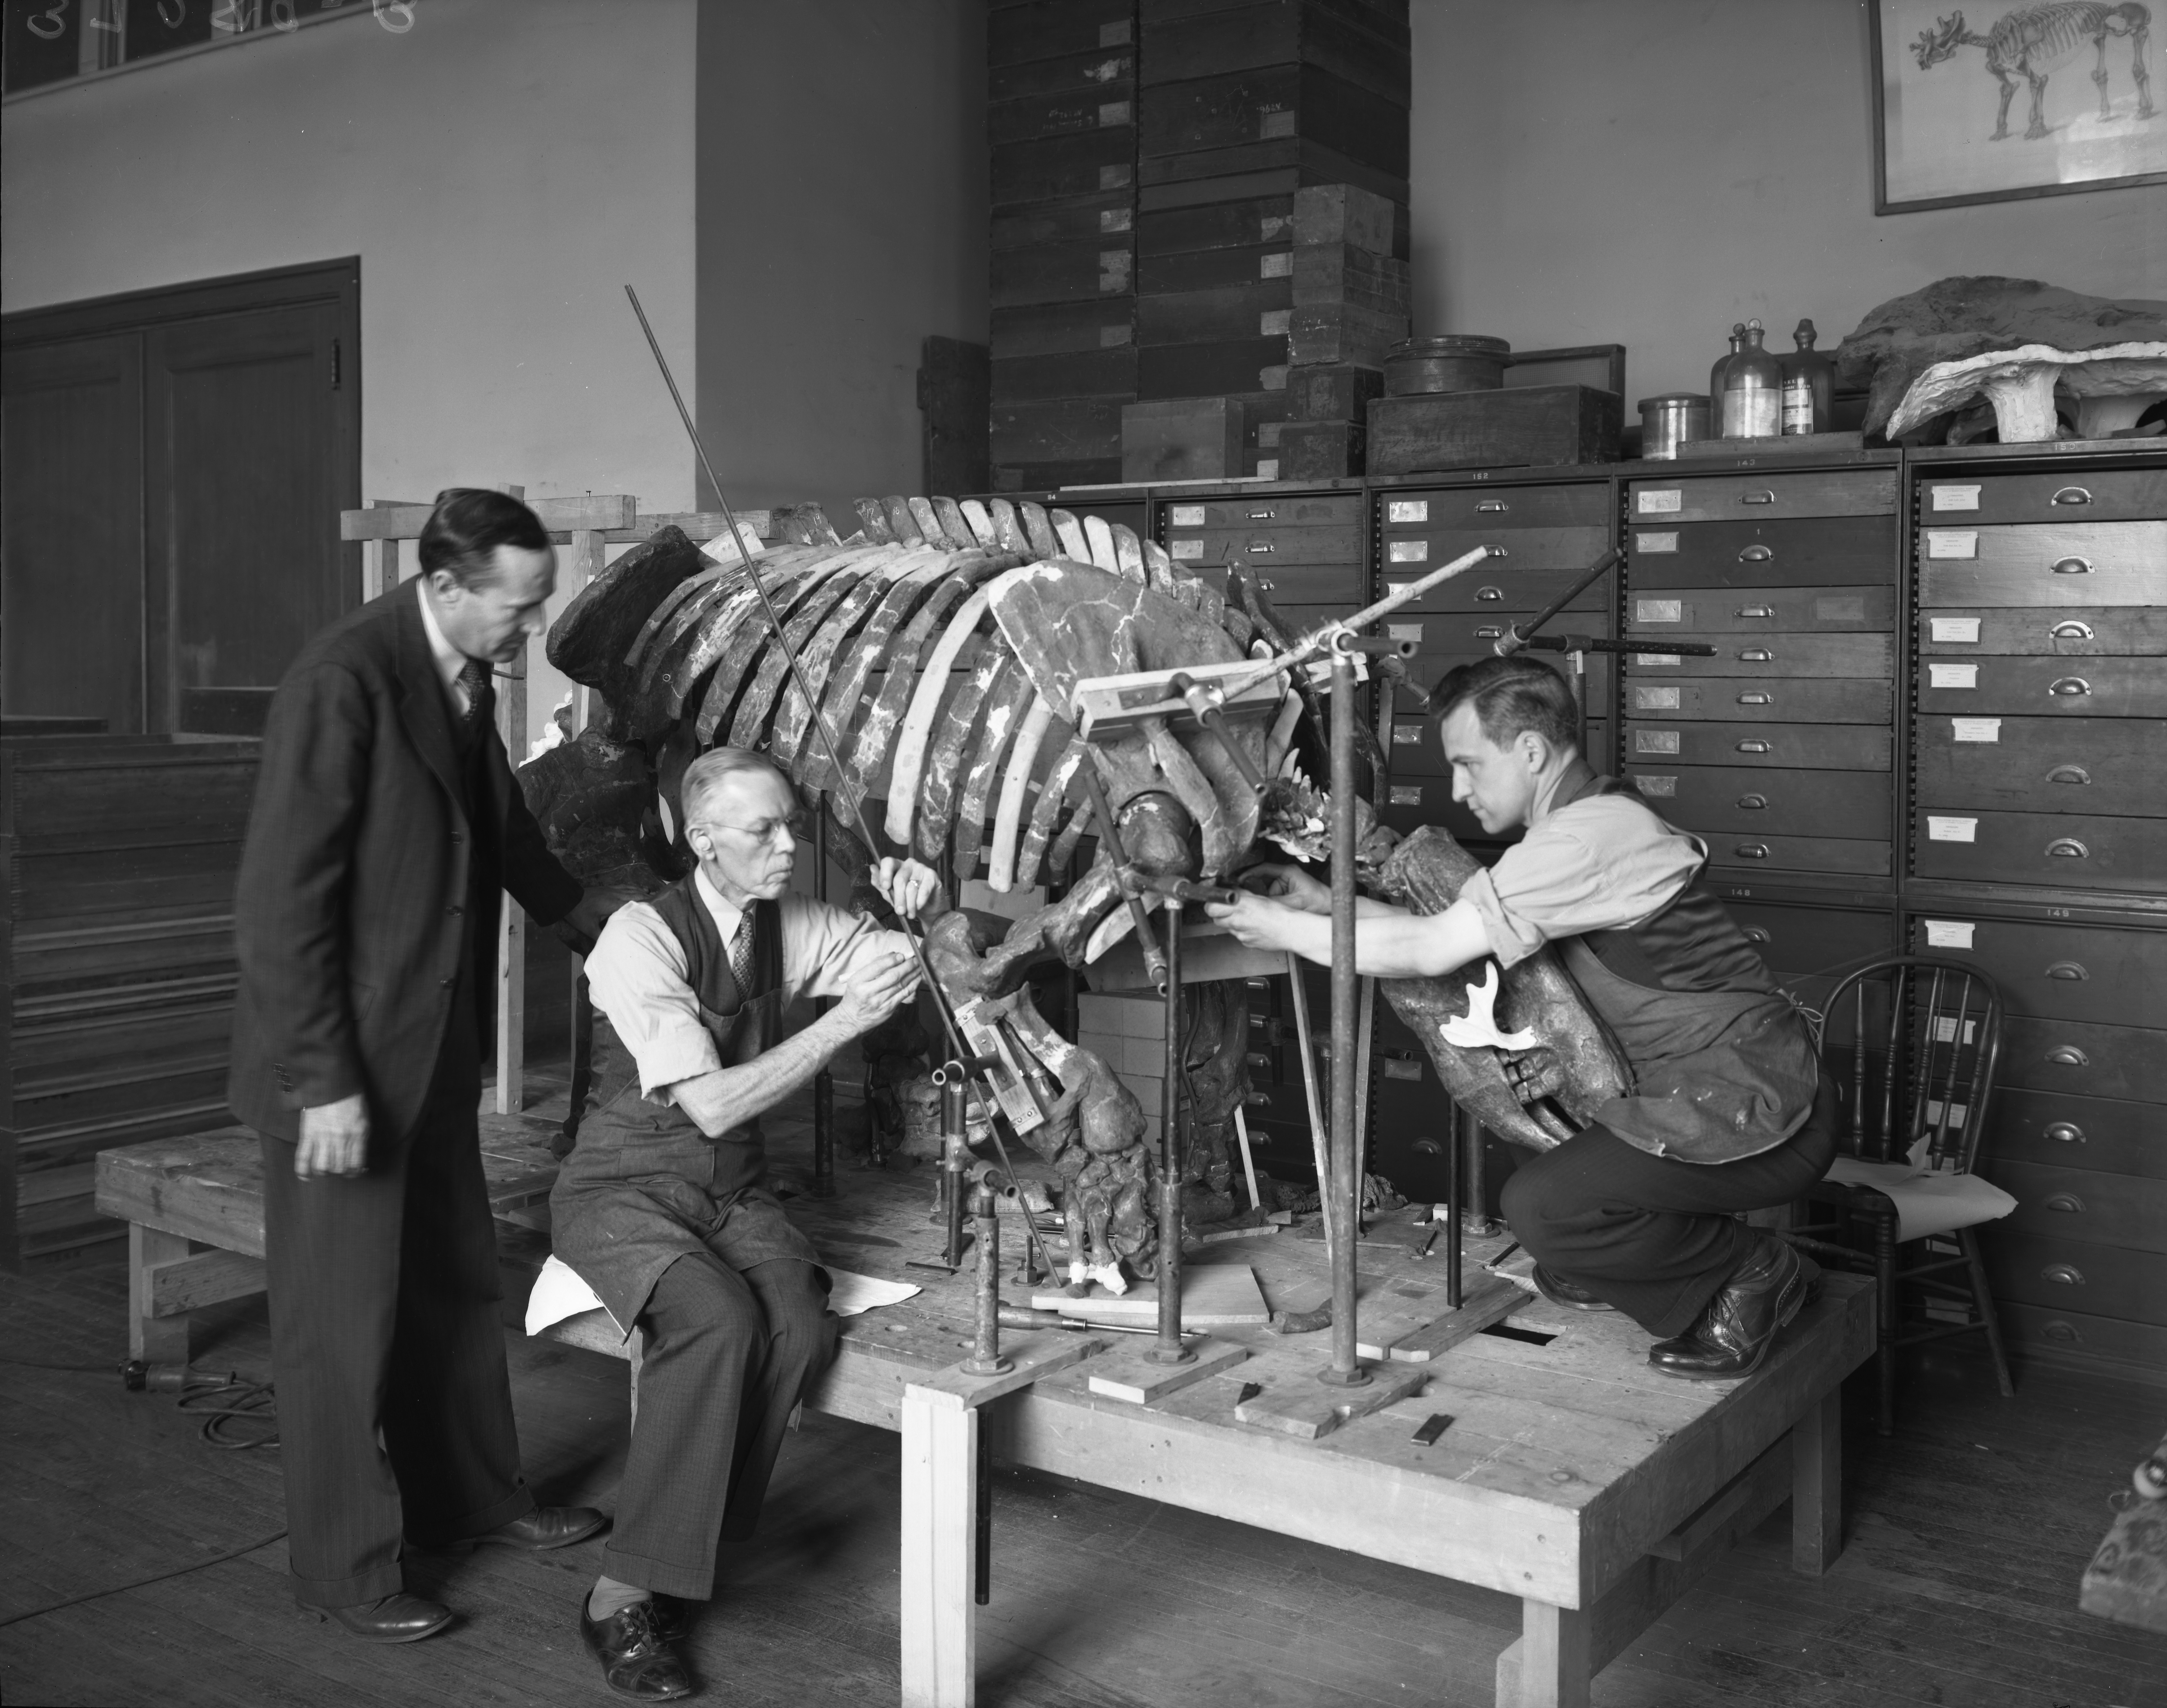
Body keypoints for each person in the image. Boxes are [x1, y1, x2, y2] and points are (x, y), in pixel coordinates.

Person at [1208, 653, 1835, 1382]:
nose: (1460, 787)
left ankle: (1756, 1271)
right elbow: (1456, 928)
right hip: (1704, 1091)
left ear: (1532, 752)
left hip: (1761, 1106)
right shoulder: (1578, 827)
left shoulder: (1587, 838)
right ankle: (1617, 1263)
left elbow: (1432, 946)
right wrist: (1320, 906)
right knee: (1541, 1156)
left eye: (1471, 764)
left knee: (1543, 1208)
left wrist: (1282, 931)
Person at [230, 488, 625, 1641]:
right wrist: (324, 1081)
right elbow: (277, 904)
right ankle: (346, 1570)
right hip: (339, 1073)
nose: (532, 627)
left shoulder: (461, 675)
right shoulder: (341, 681)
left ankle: (472, 1500)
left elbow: (497, 826)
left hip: (428, 1046)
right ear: (446, 587)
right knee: (340, 1324)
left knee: (453, 1292)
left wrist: (594, 922)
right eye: (520, 605)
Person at [551, 746, 940, 1702]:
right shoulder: (638, 937)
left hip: (730, 1192)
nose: (785, 846)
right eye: (763, 829)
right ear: (701, 838)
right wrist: (839, 1024)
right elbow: (714, 1105)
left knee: (798, 1321)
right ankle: (621, 1592)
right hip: (624, 1184)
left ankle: (678, 1551)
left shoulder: (785, 924)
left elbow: (899, 964)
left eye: (791, 827)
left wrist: (919, 901)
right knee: (714, 1317)